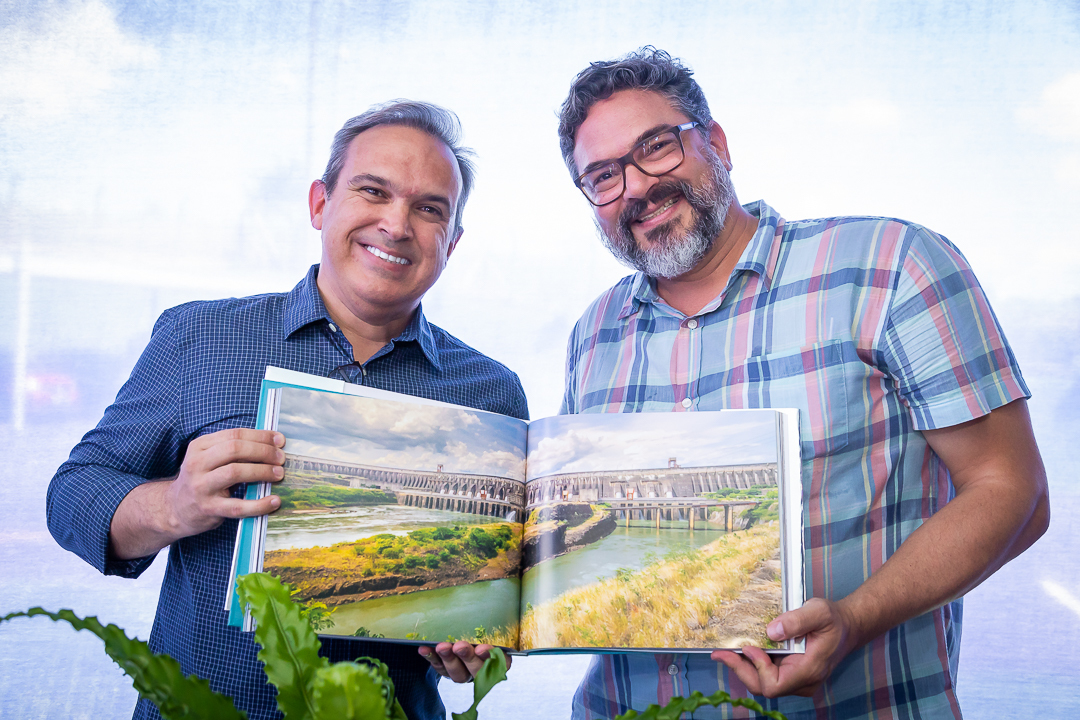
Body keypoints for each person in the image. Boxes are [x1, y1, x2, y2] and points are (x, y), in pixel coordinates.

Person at [556, 48, 1049, 719]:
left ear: (717, 144)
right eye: (603, 177)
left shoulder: (888, 266)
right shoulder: (594, 333)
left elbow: (1012, 491)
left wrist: (854, 618)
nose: (637, 186)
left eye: (656, 148)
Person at [46, 100, 526, 720]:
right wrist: (174, 505)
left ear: (452, 242)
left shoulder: (490, 394)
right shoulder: (201, 337)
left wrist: (482, 644)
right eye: (372, 191)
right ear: (320, 205)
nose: (397, 224)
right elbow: (71, 496)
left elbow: (498, 602)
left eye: (429, 209)